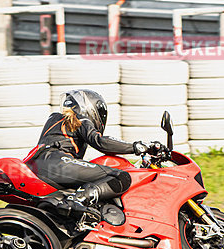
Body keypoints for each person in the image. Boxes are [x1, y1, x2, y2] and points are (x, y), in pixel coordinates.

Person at [26, 89, 161, 214]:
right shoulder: (80, 119)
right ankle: (76, 200)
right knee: (121, 177)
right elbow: (100, 142)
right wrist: (137, 146)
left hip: (36, 164)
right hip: (57, 161)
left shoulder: (54, 118)